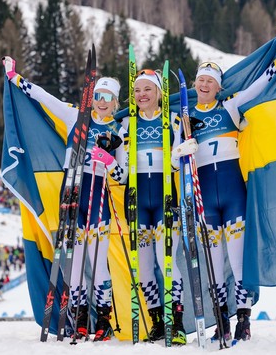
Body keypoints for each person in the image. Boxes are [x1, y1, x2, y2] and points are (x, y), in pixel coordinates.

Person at [171, 27, 276, 342]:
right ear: (195, 84)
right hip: (206, 201)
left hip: (232, 193)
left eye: (210, 81)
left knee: (238, 261)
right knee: (214, 264)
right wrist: (181, 150)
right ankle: (220, 321)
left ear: (217, 87)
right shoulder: (185, 119)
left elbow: (259, 85)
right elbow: (175, 161)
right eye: (200, 80)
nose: (204, 84)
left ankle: (243, 319)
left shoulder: (229, 107)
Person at [2, 56, 127, 342]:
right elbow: (46, 99)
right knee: (75, 262)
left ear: (115, 102)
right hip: (72, 196)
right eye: (98, 96)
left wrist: (107, 160)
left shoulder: (118, 131)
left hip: (98, 203)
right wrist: (15, 78)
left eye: (108, 97)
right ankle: (80, 318)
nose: (102, 101)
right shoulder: (75, 116)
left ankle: (103, 320)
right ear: (91, 97)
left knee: (97, 268)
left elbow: (122, 175)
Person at [120, 68, 187, 345]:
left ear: (160, 93)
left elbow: (179, 161)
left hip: (164, 201)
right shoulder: (126, 126)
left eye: (147, 89)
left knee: (166, 261)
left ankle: (178, 323)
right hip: (136, 202)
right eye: (137, 90)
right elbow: (121, 174)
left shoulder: (171, 121)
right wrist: (107, 161)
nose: (141, 95)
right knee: (143, 269)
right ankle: (158, 321)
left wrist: (180, 153)